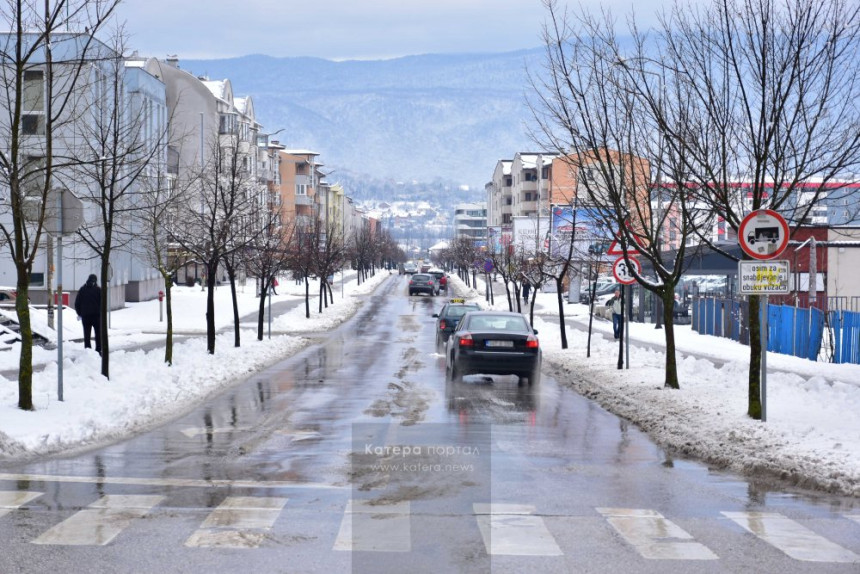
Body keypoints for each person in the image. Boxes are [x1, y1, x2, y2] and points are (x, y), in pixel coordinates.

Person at [74, 273, 102, 353]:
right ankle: (98, 349)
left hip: (85, 316)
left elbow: (77, 303)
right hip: (96, 316)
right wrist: (100, 312)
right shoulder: (98, 290)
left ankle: (88, 349)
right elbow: (102, 303)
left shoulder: (82, 289)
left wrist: (80, 313)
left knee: (86, 334)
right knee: (98, 334)